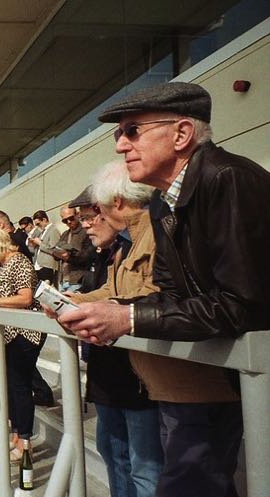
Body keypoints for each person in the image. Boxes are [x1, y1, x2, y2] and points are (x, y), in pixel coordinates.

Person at [58, 81, 270, 497]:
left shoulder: (227, 178)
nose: (121, 145)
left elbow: (243, 305)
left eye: (132, 130)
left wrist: (126, 316)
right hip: (216, 371)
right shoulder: (161, 202)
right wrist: (105, 310)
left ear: (181, 134)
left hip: (233, 374)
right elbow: (174, 295)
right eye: (118, 134)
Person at [66, 167, 164, 497]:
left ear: (111, 207)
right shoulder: (116, 250)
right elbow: (111, 290)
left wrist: (110, 311)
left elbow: (155, 293)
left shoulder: (153, 233)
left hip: (140, 374)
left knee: (144, 464)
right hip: (113, 369)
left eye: (88, 216)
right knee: (114, 452)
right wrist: (73, 301)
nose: (84, 225)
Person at [0, 227, 43, 464]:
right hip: (10, 334)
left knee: (20, 386)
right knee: (13, 386)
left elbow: (26, 298)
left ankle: (24, 441)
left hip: (24, 333)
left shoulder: (20, 261)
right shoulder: (4, 266)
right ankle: (16, 436)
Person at [55, 206, 95, 293]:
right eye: (65, 220)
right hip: (63, 280)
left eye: (71, 218)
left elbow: (87, 257)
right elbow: (55, 253)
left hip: (78, 279)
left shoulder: (85, 231)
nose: (69, 222)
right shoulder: (65, 234)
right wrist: (58, 253)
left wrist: (69, 257)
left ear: (77, 214)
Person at [27, 209, 61, 284]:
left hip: (47, 266)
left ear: (44, 220)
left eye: (38, 224)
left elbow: (54, 249)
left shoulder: (53, 230)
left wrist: (39, 243)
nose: (37, 227)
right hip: (39, 265)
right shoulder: (43, 231)